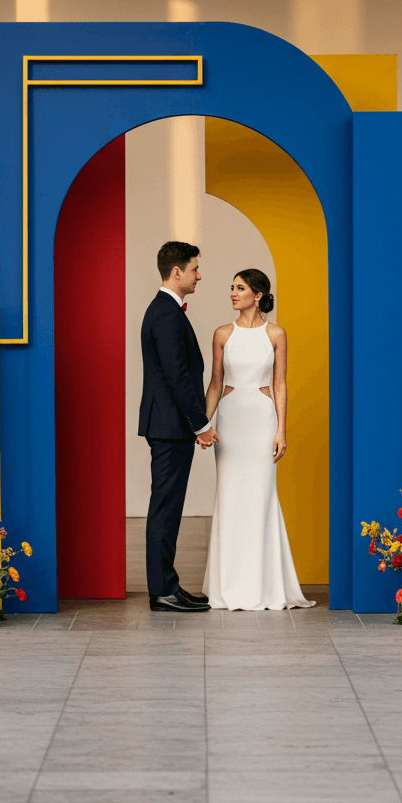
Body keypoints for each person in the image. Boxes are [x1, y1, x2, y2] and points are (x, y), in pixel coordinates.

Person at [202, 268, 315, 611]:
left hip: (262, 420)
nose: (233, 293)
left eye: (240, 288)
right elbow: (215, 384)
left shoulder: (276, 333)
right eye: (232, 287)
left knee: (261, 498)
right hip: (231, 420)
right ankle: (227, 587)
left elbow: (279, 383)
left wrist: (281, 429)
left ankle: (265, 587)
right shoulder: (222, 333)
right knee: (231, 497)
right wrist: (203, 425)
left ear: (259, 294)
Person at [138, 241, 217, 613]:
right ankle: (163, 591)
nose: (198, 275)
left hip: (169, 425)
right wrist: (201, 424)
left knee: (167, 507)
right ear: (177, 273)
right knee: (165, 508)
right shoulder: (167, 314)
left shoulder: (165, 310)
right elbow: (178, 377)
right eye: (195, 269)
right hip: (170, 426)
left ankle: (168, 586)